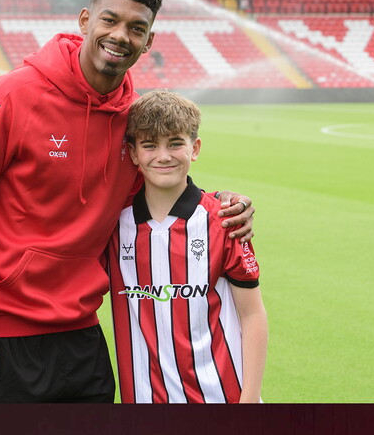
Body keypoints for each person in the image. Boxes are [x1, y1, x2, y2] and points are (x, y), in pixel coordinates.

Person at [0, 0, 256, 403]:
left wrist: (221, 203)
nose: (120, 35)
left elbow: (157, 189)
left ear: (148, 42)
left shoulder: (133, 120)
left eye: (136, 28)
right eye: (110, 20)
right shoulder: (14, 95)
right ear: (85, 20)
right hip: (0, 334)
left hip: (83, 339)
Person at [106, 90, 268, 403]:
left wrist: (250, 399)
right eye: (149, 145)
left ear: (194, 148)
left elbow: (252, 314)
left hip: (221, 398)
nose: (163, 156)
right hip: (143, 399)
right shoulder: (113, 225)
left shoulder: (225, 222)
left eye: (175, 143)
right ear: (133, 153)